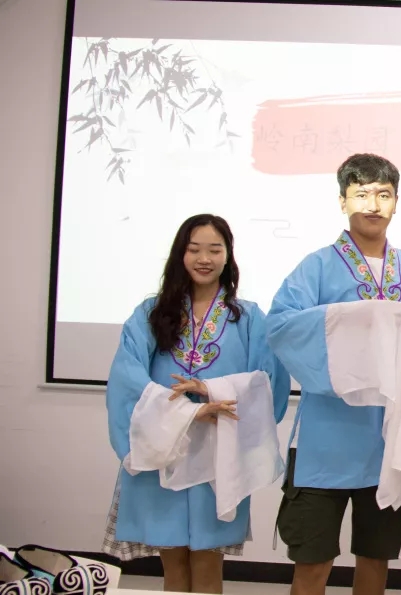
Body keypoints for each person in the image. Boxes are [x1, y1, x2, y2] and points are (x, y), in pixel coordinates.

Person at [267, 153, 401, 595]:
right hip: (323, 443)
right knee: (312, 565)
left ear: (396, 202)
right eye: (361, 193)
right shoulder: (316, 267)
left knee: (375, 560)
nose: (373, 204)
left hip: (388, 441)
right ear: (343, 201)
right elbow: (281, 325)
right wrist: (342, 325)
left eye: (383, 194)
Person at [104, 214, 291, 594]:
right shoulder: (152, 313)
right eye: (194, 249)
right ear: (180, 254)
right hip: (164, 447)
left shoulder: (249, 317)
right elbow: (127, 376)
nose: (204, 258)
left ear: (228, 257)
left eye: (214, 250)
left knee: (208, 563)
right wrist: (187, 412)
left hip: (219, 451)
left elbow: (267, 381)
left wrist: (213, 393)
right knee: (172, 564)